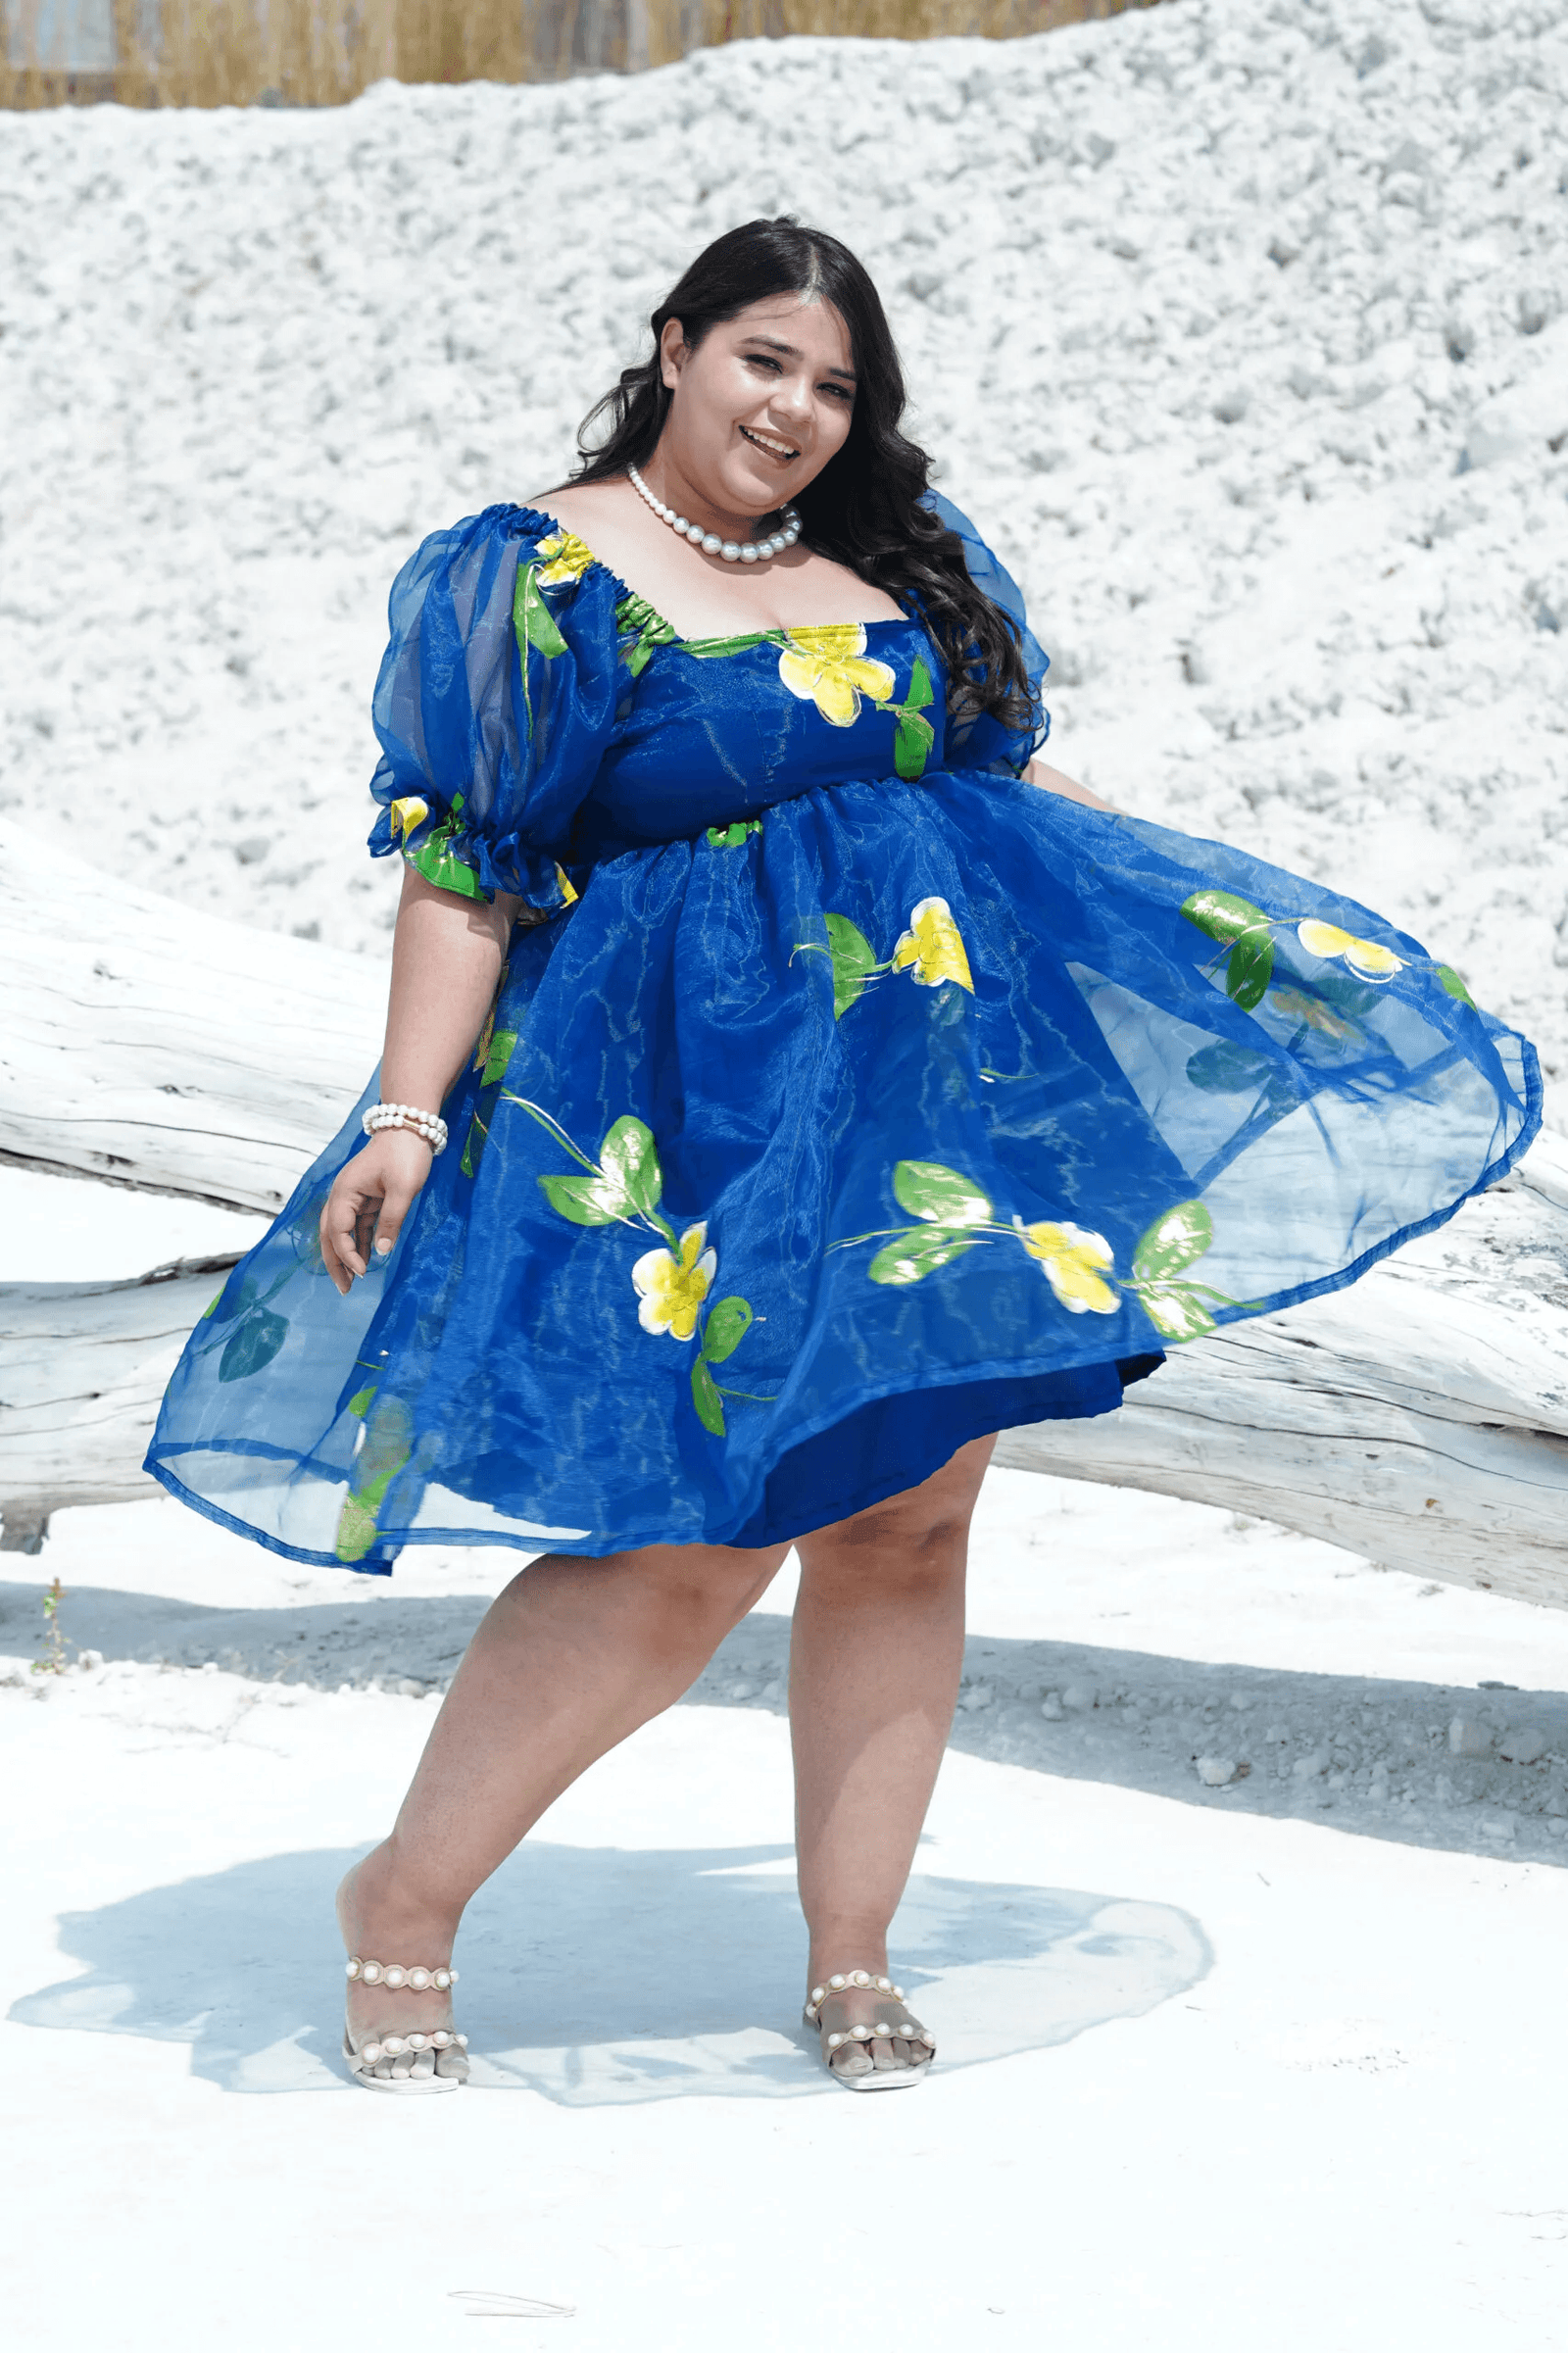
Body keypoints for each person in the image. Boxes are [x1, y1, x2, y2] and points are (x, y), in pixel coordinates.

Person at [145, 219, 1540, 2095]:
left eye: (834, 384)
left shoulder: (897, 555)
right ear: (674, 345)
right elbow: (467, 865)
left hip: (931, 1099)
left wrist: (1222, 937)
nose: (794, 410)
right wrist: (404, 1111)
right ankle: (404, 1897)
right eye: (763, 361)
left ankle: (852, 1946)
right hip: (690, 1123)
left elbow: (993, 787)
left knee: (911, 1522)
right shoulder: (537, 571)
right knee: (684, 1549)